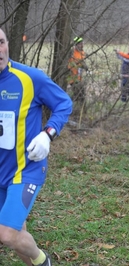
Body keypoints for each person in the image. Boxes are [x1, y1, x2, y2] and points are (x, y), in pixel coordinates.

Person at [0, 28, 73, 265]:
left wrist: (47, 135)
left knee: (7, 234)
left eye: (1, 42)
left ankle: (44, 262)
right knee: (16, 230)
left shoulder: (30, 78)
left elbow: (63, 104)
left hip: (26, 169)